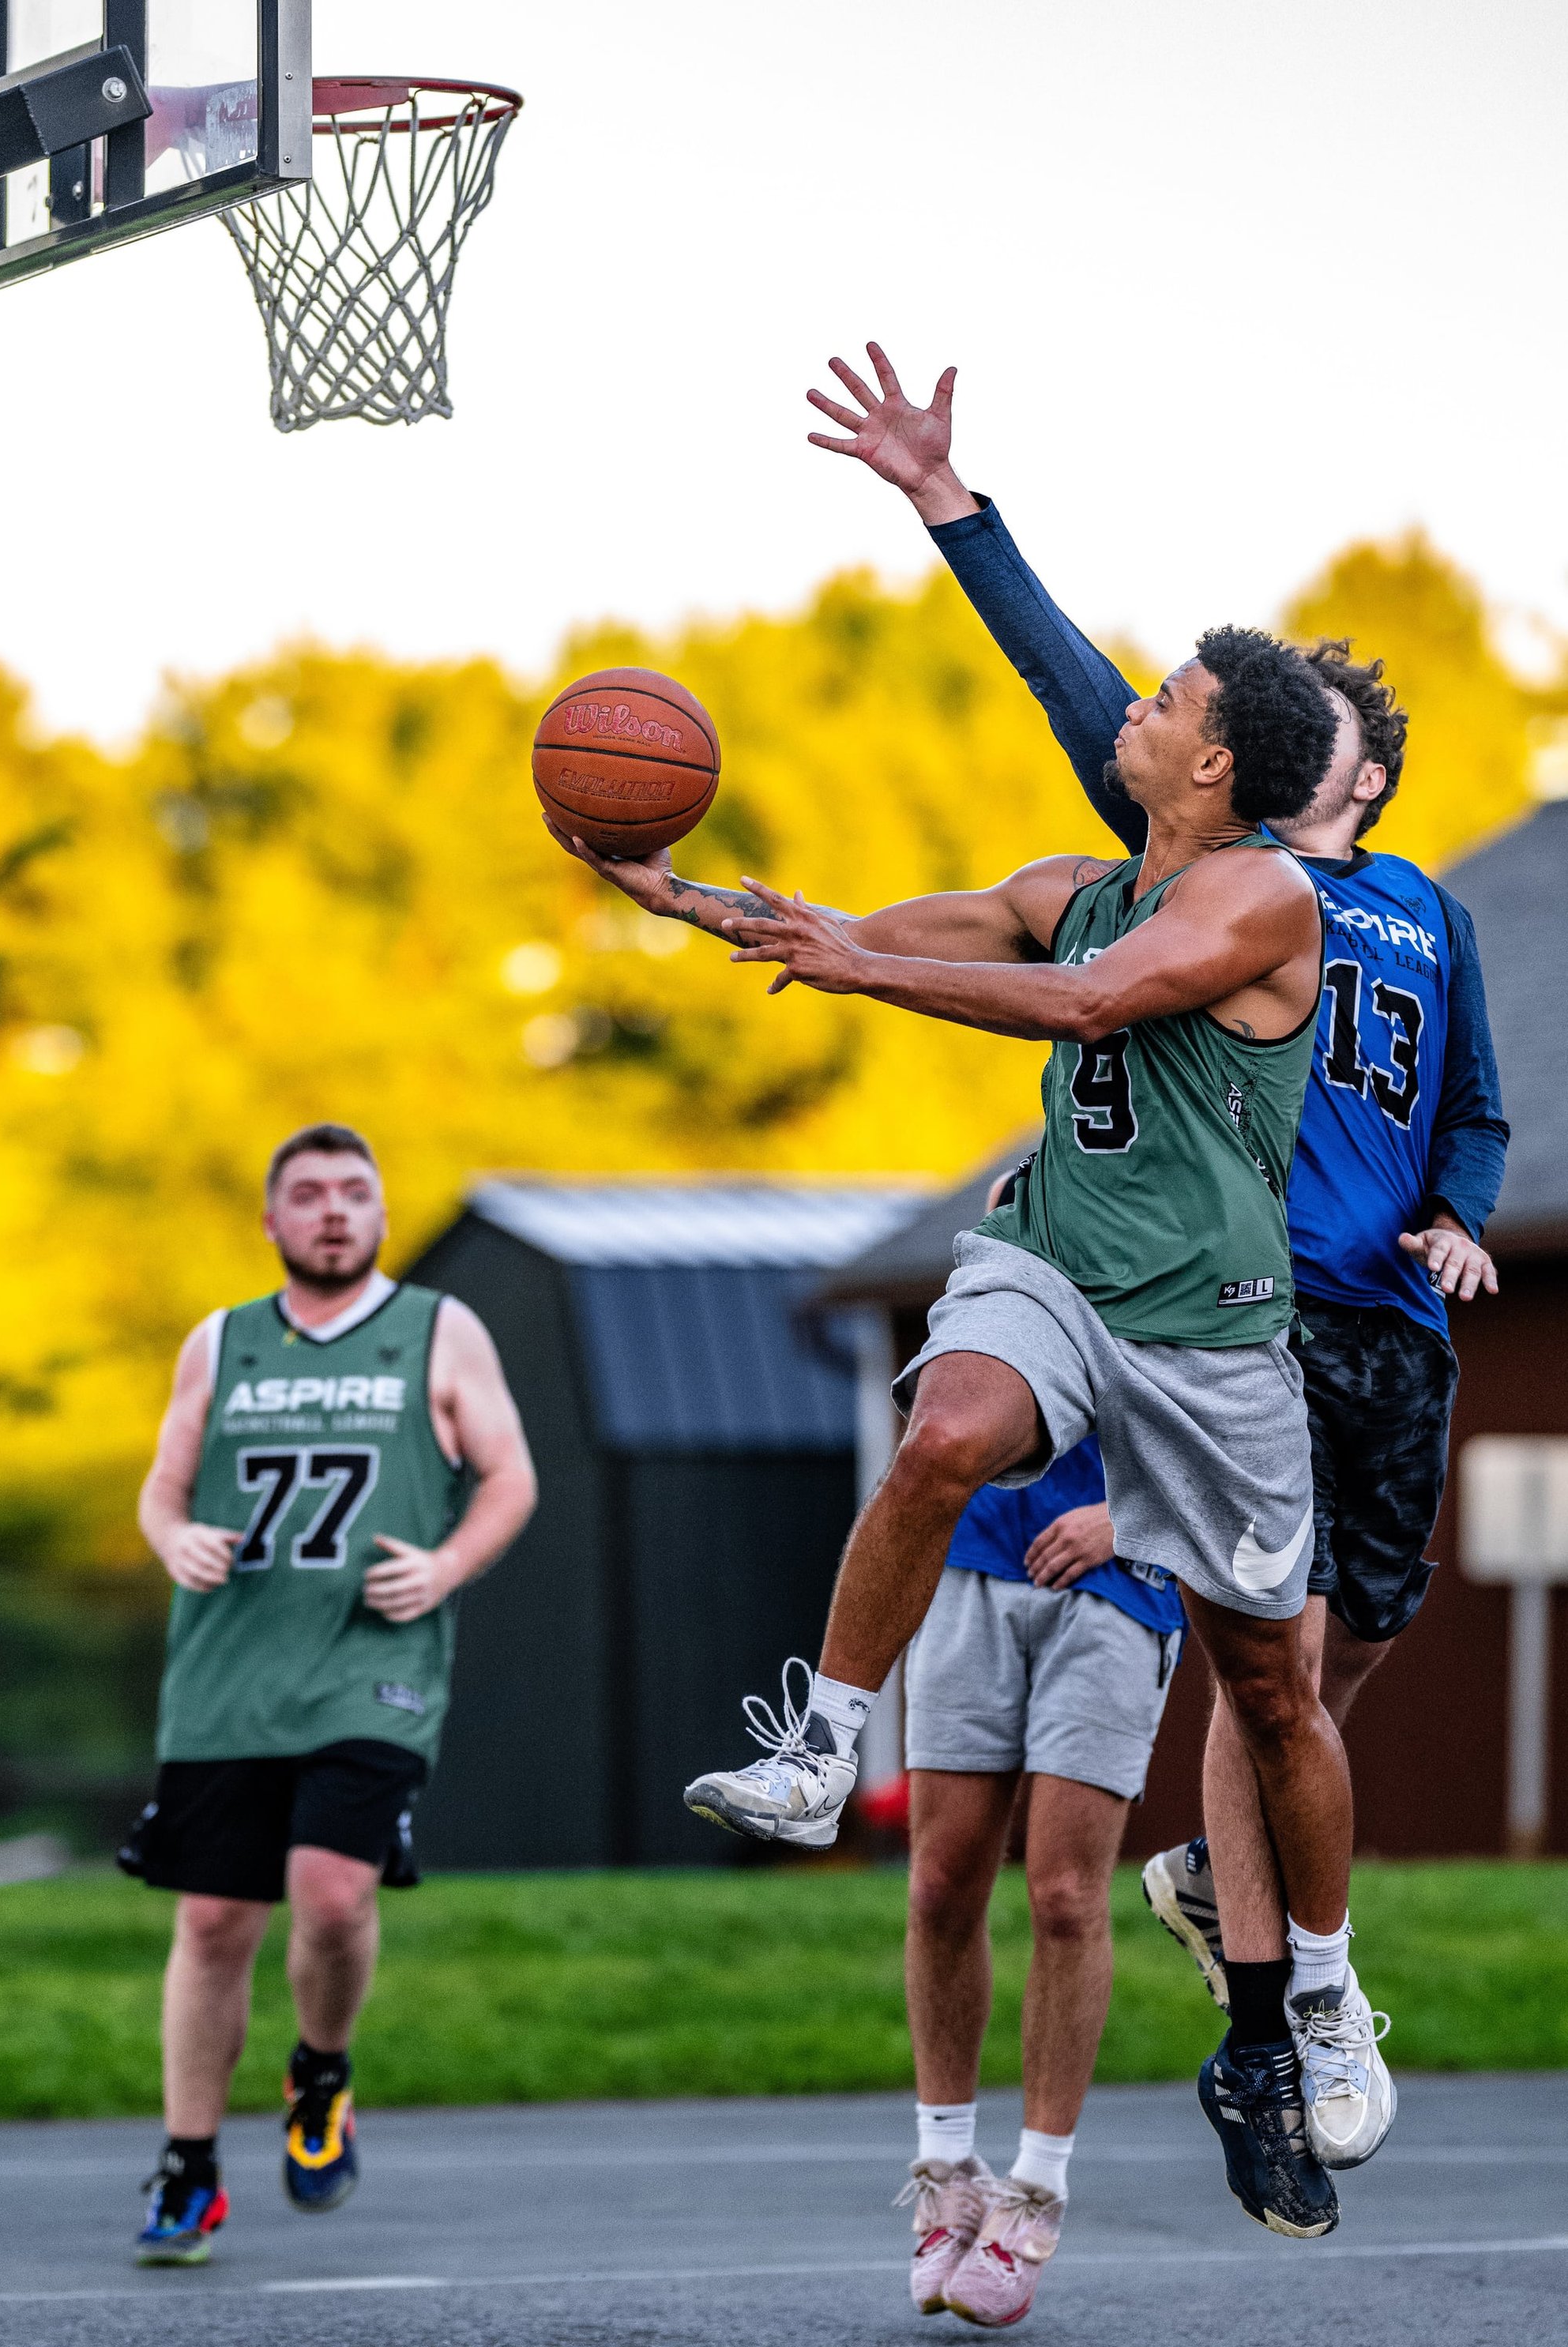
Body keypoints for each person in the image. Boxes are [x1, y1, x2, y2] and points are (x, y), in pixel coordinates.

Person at [551, 622, 1353, 2240]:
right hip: (1053, 1268)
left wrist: (859, 972)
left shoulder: (1264, 898)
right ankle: (818, 1747)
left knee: (1272, 1701)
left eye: (1165, 701)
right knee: (939, 1437)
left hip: (1205, 1340)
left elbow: (1093, 1004)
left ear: (1210, 766)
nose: (1133, 707)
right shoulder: (1073, 878)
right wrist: (691, 897)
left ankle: (1319, 1982)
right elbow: (854, 929)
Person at [801, 345, 1509, 2175]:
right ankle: (1273, 2019)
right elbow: (1074, 690)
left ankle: (1257, 1929)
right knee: (1246, 1657)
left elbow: (1479, 1109)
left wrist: (1458, 1207)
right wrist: (956, 512)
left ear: (1354, 767)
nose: (1308, 708)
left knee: (1312, 1680)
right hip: (1208, 1309)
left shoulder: (1425, 910)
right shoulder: (1200, 861)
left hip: (1378, 1324)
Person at [121, 1123, 536, 2262]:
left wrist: (448, 1565)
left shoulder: (439, 1331)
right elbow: (160, 1491)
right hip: (229, 1667)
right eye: (308, 1194)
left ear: (383, 1214)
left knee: (334, 1893)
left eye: (356, 1191)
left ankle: (320, 2072)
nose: (334, 1211)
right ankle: (190, 2167)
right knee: (211, 1918)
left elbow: (511, 1474)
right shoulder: (221, 1341)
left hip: (374, 1663)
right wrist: (177, 1540)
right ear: (271, 1220)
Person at [896, 1387, 1184, 2327]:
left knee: (1063, 1894)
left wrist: (1130, 1514)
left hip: (1119, 1579)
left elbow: (1250, 1415)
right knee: (939, 1885)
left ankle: (1034, 2192)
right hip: (970, 1563)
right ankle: (946, 2171)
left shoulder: (1212, 1244)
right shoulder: (1006, 1237)